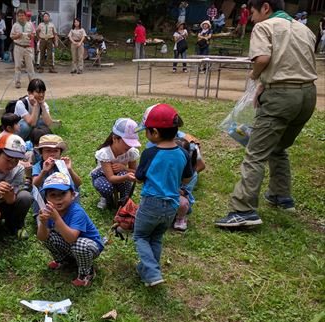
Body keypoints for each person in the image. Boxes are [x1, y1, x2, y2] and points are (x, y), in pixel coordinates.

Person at [215, 0, 318, 228]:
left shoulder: (265, 26)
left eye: (251, 13)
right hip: (308, 96)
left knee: (255, 154)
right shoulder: (304, 29)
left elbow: (262, 59)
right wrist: (265, 83)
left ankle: (243, 210)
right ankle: (281, 196)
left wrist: (254, 76)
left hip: (281, 97)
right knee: (278, 146)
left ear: (265, 7)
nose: (251, 18)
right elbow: (293, 63)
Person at [134, 104, 193, 287]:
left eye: (147, 131)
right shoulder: (183, 152)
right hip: (172, 205)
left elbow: (139, 177)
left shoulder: (150, 153)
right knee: (156, 238)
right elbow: (188, 177)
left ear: (155, 133)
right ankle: (148, 271)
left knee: (141, 236)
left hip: (151, 203)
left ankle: (152, 272)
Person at [37, 172, 104, 287]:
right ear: (46, 199)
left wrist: (57, 218)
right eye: (53, 195)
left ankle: (86, 273)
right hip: (70, 245)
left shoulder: (77, 211)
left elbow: (72, 238)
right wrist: (43, 223)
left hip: (89, 246)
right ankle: (62, 260)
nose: (58, 198)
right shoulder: (49, 212)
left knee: (80, 244)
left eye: (63, 194)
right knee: (49, 236)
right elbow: (41, 237)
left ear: (73, 195)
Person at [91, 118, 141, 210]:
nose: (130, 146)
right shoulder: (105, 153)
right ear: (115, 139)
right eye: (127, 143)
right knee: (106, 187)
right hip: (103, 176)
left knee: (124, 175)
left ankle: (124, 199)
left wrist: (125, 169)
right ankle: (107, 199)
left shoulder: (130, 152)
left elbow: (134, 171)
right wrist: (126, 176)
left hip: (120, 175)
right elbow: (110, 178)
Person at [32, 134, 82, 217]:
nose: (52, 154)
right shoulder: (38, 166)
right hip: (46, 197)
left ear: (60, 152)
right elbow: (35, 184)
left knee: (73, 186)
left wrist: (69, 169)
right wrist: (44, 171)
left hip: (62, 193)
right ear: (41, 153)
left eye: (55, 151)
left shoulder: (62, 164)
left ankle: (73, 211)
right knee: (37, 191)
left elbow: (78, 183)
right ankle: (39, 215)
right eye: (48, 151)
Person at [13, 78, 54, 142]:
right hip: (18, 130)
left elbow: (49, 123)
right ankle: (18, 143)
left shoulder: (44, 104)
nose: (41, 95)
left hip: (31, 129)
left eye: (43, 92)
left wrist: (42, 106)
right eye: (38, 92)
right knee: (25, 126)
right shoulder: (21, 103)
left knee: (42, 123)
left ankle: (35, 143)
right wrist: (35, 105)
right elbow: (32, 123)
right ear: (30, 93)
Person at [10, 9, 36, 89]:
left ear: (25, 16)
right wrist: (17, 36)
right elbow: (11, 36)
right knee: (18, 66)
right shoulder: (15, 25)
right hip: (18, 47)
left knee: (30, 66)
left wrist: (30, 36)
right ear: (17, 17)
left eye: (22, 15)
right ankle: (17, 82)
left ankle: (32, 83)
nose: (21, 17)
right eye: (19, 15)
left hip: (28, 47)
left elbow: (33, 35)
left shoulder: (30, 25)